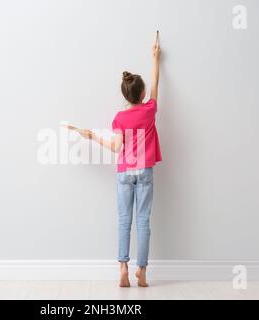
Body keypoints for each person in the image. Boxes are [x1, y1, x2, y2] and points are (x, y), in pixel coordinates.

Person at [67, 32, 162, 287]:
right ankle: (141, 271)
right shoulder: (150, 109)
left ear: (125, 95)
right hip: (145, 172)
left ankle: (123, 267)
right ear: (142, 94)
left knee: (124, 221)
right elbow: (156, 85)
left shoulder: (120, 118)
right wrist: (155, 59)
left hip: (124, 172)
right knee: (143, 221)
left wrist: (91, 136)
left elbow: (115, 147)